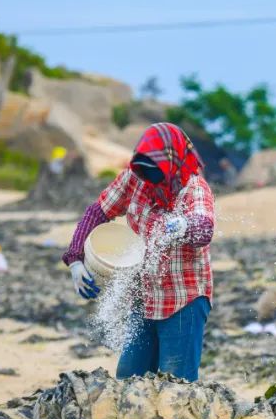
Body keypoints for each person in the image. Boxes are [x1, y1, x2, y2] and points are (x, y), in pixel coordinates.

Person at [62, 122, 215, 382]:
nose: (148, 178)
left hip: (183, 299)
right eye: (144, 167)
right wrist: (75, 259)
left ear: (172, 161)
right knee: (129, 377)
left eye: (156, 169)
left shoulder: (194, 188)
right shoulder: (134, 179)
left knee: (175, 382)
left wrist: (184, 225)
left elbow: (205, 229)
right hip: (143, 297)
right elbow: (97, 212)